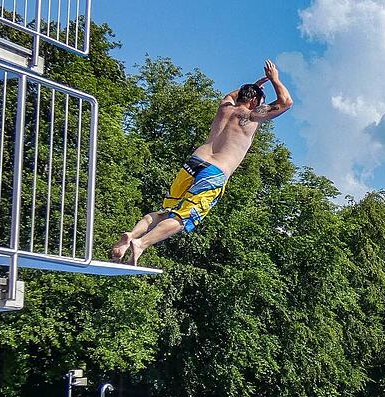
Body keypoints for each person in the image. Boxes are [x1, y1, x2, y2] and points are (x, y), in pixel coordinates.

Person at [111, 59, 293, 265]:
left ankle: (132, 234)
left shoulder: (224, 108)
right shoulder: (251, 116)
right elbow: (286, 102)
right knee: (183, 218)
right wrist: (274, 79)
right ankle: (141, 244)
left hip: (194, 162)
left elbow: (232, 95)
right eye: (259, 101)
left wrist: (254, 86)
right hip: (214, 171)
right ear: (254, 102)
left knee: (165, 211)